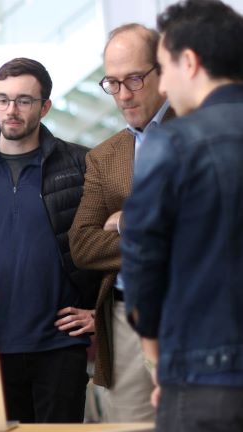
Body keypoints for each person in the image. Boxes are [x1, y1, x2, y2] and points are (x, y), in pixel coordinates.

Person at [0, 57, 98, 423]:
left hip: (59, 347)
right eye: (2, 99)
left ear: (45, 106)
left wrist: (98, 311)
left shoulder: (81, 167)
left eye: (24, 100)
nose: (11, 110)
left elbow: (108, 248)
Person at [121, 1, 243, 430]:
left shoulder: (175, 143)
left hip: (205, 379)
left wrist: (158, 363)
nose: (165, 85)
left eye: (163, 67)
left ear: (189, 62)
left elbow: (141, 262)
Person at [67, 23, 172, 422]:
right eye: (112, 83)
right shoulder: (104, 157)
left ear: (162, 69)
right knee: (132, 426)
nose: (124, 95)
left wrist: (125, 223)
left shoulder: (198, 129)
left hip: (198, 309)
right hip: (127, 320)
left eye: (134, 79)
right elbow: (83, 245)